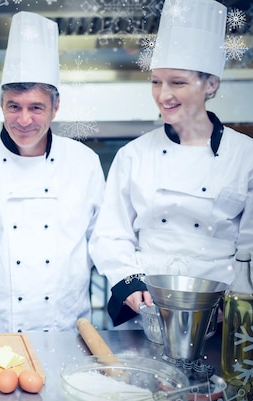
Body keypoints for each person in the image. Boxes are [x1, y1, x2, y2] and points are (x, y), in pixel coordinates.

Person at [88, 0, 253, 326]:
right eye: (155, 81)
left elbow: (249, 248)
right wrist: (129, 282)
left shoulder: (245, 156)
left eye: (177, 82)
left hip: (222, 316)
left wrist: (233, 303)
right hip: (147, 311)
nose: (163, 95)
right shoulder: (133, 155)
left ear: (211, 85)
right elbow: (111, 234)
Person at [0, 11, 105, 333]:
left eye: (36, 107)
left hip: (66, 325)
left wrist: (131, 281)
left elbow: (104, 238)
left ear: (56, 107)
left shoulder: (83, 162)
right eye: (14, 106)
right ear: (1, 106)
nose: (24, 119)